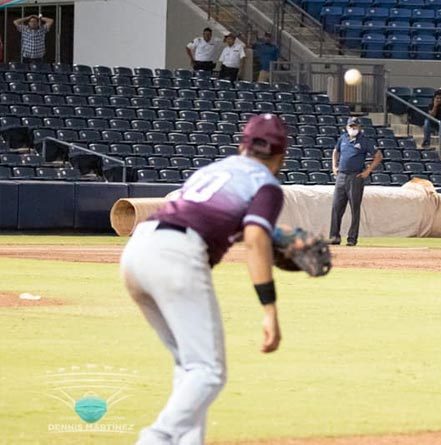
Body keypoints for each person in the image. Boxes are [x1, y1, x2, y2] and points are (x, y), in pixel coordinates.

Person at [120, 114, 288, 445]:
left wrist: (276, 241)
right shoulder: (267, 185)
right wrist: (269, 308)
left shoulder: (212, 170)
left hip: (137, 248)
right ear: (281, 157)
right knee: (208, 372)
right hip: (177, 255)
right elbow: (254, 237)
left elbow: (213, 219)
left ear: (242, 145)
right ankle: (156, 439)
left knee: (189, 365)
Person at [329, 117, 384, 246]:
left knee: (355, 208)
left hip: (355, 176)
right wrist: (334, 166)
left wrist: (368, 171)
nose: (353, 129)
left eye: (355, 126)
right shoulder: (343, 138)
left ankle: (352, 238)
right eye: (351, 126)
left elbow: (378, 155)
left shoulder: (364, 141)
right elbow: (335, 151)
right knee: (336, 207)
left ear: (360, 128)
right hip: (341, 175)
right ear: (347, 127)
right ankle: (334, 237)